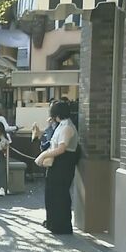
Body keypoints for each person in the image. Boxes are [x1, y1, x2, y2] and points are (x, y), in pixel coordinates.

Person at [36, 101, 79, 235]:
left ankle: (61, 225)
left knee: (60, 194)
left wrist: (44, 155)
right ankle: (53, 222)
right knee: (52, 193)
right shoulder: (62, 125)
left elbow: (61, 148)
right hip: (58, 163)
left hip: (63, 163)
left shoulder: (67, 127)